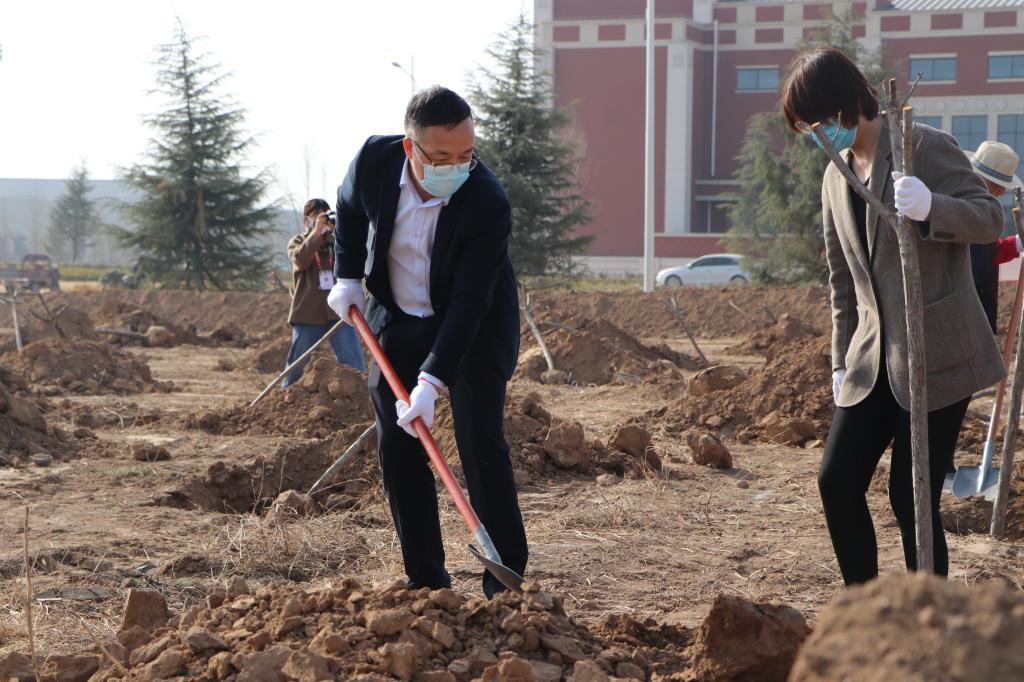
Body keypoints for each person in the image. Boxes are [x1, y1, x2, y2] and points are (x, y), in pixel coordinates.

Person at [781, 47, 1006, 585]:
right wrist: (841, 361)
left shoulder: (920, 147)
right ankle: (866, 610)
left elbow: (990, 218)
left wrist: (932, 208)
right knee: (836, 480)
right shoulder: (835, 175)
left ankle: (927, 617)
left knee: (911, 497)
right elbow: (841, 279)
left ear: (842, 104)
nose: (816, 135)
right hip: (871, 358)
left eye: (816, 122)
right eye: (806, 129)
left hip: (937, 350)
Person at [327, 86, 527, 597]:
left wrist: (433, 382)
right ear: (409, 148)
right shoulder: (374, 160)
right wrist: (346, 276)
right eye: (440, 158)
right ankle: (426, 581)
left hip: (472, 326)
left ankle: (504, 582)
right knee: (398, 445)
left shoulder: (486, 201)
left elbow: (470, 304)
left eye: (466, 155)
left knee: (480, 441)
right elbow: (347, 208)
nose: (455, 168)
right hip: (396, 316)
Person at [283, 198, 365, 387]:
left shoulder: (336, 241)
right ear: (306, 220)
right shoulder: (298, 241)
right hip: (308, 313)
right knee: (297, 363)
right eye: (315, 216)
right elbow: (301, 260)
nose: (320, 220)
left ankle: (363, 398)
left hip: (338, 311)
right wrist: (315, 234)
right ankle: (284, 394)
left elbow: (352, 260)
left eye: (324, 216)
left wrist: (339, 232)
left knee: (353, 361)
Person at [967, 141, 1023, 333]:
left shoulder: (984, 212)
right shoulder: (961, 209)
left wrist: (1017, 243)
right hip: (963, 316)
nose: (1002, 192)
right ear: (981, 179)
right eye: (998, 185)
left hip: (981, 315)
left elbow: (987, 253)